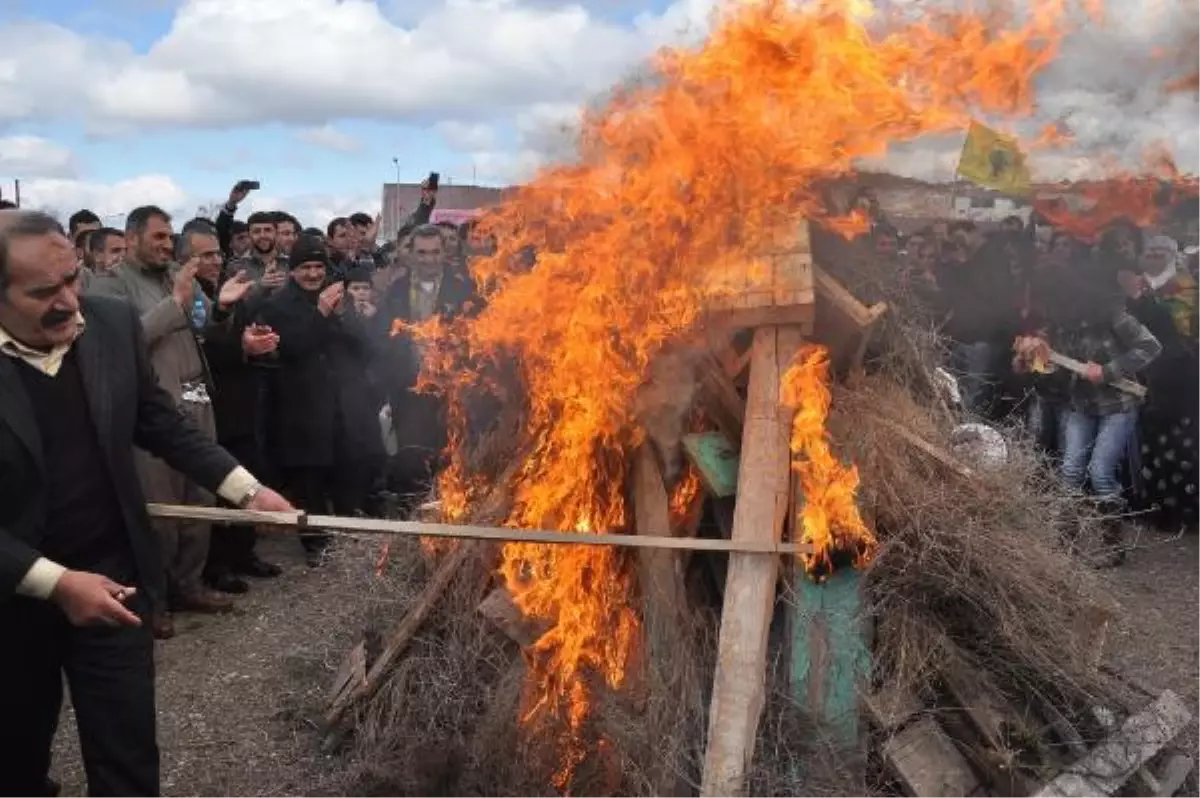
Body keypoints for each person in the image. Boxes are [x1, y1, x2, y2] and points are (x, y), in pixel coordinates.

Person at [0, 210, 294, 798]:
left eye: (72, 279)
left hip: (118, 586)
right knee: (14, 757)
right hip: (11, 604)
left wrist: (245, 489)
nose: (69, 303)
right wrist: (56, 582)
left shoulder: (109, 323)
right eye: (43, 292)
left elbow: (159, 421)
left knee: (128, 760)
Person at [89, 207, 257, 636]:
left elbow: (201, 331)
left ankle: (189, 584)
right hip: (154, 415)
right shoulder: (110, 286)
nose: (167, 245)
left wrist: (220, 309)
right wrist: (175, 303)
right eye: (159, 237)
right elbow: (122, 343)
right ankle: (154, 600)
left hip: (197, 403)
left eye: (170, 238)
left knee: (199, 503)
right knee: (160, 513)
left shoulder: (172, 278)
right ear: (131, 238)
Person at [256, 236, 386, 565]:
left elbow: (366, 349)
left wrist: (344, 316)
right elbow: (292, 348)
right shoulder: (276, 306)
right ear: (292, 271)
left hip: (342, 404)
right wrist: (322, 313)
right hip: (302, 408)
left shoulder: (339, 299)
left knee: (347, 472)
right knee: (309, 480)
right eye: (305, 268)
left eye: (318, 267)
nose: (313, 274)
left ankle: (345, 534)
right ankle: (315, 543)